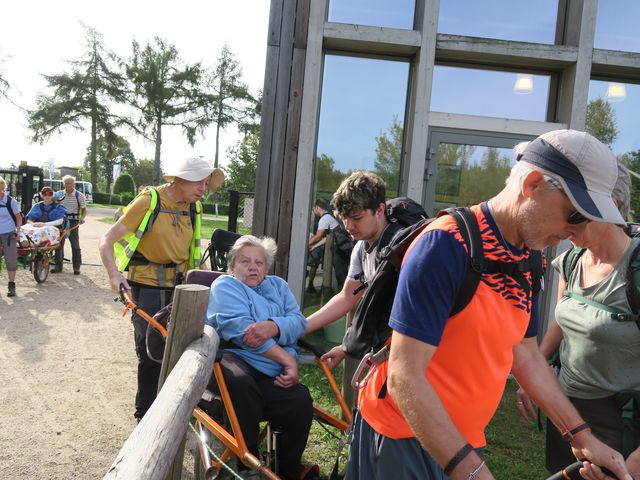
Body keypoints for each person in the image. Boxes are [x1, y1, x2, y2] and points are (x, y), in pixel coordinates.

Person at [346, 130, 634, 480]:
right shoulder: (445, 245)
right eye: (575, 215)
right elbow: (404, 375)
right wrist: (472, 471)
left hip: (461, 442)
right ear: (532, 184)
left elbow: (524, 351)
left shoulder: (532, 257)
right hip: (403, 438)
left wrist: (580, 435)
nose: (577, 231)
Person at [516, 162, 640, 479]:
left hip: (619, 421)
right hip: (567, 410)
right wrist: (537, 371)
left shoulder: (635, 270)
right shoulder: (572, 259)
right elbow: (563, 320)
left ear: (608, 208)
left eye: (572, 214)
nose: (561, 229)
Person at [99, 157, 224, 420]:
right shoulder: (149, 201)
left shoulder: (194, 208)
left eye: (206, 183)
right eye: (199, 182)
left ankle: (172, 410)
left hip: (181, 289)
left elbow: (191, 251)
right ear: (180, 179)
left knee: (180, 350)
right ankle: (144, 415)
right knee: (151, 352)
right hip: (145, 287)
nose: (204, 188)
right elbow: (106, 240)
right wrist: (114, 275)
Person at [206, 235, 316, 480]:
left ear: (266, 267)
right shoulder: (225, 285)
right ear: (232, 267)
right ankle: (248, 463)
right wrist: (287, 360)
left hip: (271, 368)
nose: (253, 267)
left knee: (299, 399)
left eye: (259, 262)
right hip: (235, 356)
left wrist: (273, 326)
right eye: (245, 262)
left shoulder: (279, 286)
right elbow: (242, 332)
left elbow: (299, 323)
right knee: (238, 381)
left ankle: (288, 471)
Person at [305, 171, 399, 368]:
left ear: (380, 209)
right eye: (344, 218)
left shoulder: (403, 248)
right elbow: (348, 296)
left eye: (356, 217)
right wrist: (298, 328)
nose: (348, 226)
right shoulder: (361, 247)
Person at [53, 175, 87, 274]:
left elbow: (84, 210)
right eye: (66, 183)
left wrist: (82, 218)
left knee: (75, 244)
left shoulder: (79, 195)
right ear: (64, 184)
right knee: (59, 244)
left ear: (74, 184)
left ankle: (77, 267)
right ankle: (58, 267)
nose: (68, 185)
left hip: (73, 221)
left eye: (70, 183)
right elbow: (51, 201)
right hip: (61, 221)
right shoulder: (59, 194)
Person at [306, 198, 340, 293]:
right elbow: (325, 239)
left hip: (336, 250)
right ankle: (312, 285)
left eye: (314, 208)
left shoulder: (325, 219)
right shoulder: (328, 217)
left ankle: (305, 274)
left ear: (317, 207)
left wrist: (306, 245)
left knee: (312, 259)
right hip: (335, 248)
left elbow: (318, 236)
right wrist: (313, 246)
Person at [0, 176, 22, 297]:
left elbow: (19, 218)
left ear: (2, 188)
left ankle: (11, 285)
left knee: (11, 261)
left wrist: (18, 232)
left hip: (9, 234)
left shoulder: (10, 201)